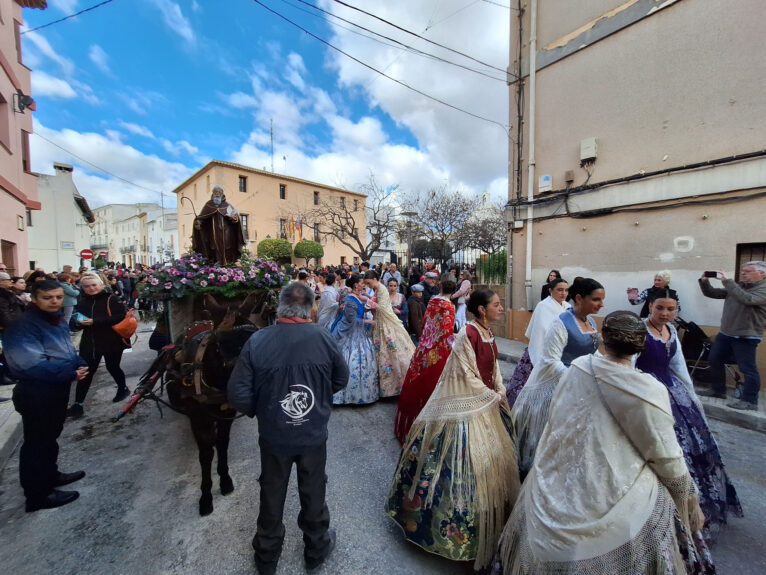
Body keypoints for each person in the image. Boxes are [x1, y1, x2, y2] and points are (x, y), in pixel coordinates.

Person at [497, 311, 714, 575]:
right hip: (618, 489)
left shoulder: (578, 369)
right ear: (641, 345)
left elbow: (558, 421)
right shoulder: (647, 389)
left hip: (556, 479)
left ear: (604, 339)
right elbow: (665, 453)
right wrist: (686, 496)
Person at [386, 289, 519, 571]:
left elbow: (492, 366)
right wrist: (490, 394)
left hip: (487, 404)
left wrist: (499, 386)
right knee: (461, 469)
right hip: (468, 409)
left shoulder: (486, 332)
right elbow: (464, 374)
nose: (501, 308)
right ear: (482, 309)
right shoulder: (466, 335)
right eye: (496, 304)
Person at [227, 282, 349, 575]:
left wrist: (264, 411)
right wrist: (318, 399)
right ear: (311, 307)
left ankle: (267, 556)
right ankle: (316, 549)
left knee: (271, 490)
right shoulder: (323, 337)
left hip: (275, 435)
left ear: (279, 306)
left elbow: (238, 393)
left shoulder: (258, 340)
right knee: (314, 488)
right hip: (312, 433)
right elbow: (341, 379)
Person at [635, 290, 742, 539]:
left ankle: (693, 508)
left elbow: (679, 366)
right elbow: (627, 365)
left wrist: (691, 397)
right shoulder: (638, 329)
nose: (665, 313)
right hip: (645, 391)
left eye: (671, 309)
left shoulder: (671, 331)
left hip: (672, 392)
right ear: (650, 306)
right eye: (660, 308)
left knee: (690, 447)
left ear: (676, 310)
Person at [4, 280, 88, 512]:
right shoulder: (22, 326)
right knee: (36, 444)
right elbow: (28, 365)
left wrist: (79, 363)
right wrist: (70, 372)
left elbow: (66, 349)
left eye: (58, 297)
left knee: (49, 438)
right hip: (36, 392)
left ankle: (51, 476)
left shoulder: (56, 320)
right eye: (48, 298)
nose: (54, 301)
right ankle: (37, 496)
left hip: (56, 389)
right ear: (34, 299)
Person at [511, 277, 604, 477]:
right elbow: (550, 360)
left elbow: (593, 352)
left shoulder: (591, 322)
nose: (601, 304)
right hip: (559, 387)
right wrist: (579, 375)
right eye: (596, 299)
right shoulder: (561, 323)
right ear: (579, 298)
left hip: (583, 387)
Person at [697, 262, 766, 410]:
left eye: (748, 271)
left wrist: (728, 282)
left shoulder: (763, 288)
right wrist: (704, 282)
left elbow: (748, 299)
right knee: (714, 359)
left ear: (762, 274)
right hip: (726, 333)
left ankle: (750, 401)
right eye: (743, 271)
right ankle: (718, 390)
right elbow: (712, 293)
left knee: (748, 369)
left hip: (746, 336)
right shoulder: (738, 287)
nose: (743, 273)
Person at [394, 279, 456, 443]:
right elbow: (447, 330)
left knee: (419, 374)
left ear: (441, 287)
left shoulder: (432, 301)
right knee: (436, 381)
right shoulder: (449, 306)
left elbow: (428, 321)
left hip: (425, 345)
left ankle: (415, 417)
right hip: (439, 347)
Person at [68, 274, 130, 418]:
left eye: (94, 285)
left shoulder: (111, 299)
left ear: (101, 285)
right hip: (90, 342)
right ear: (82, 288)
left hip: (112, 340)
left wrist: (95, 321)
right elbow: (75, 321)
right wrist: (78, 324)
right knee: (86, 371)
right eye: (87, 286)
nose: (91, 288)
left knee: (113, 367)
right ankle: (78, 404)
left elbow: (120, 317)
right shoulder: (82, 302)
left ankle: (123, 388)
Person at [506, 278, 571, 408]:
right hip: (542, 351)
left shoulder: (568, 308)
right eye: (559, 290)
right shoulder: (543, 306)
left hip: (561, 353)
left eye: (566, 290)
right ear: (550, 291)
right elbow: (541, 331)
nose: (563, 293)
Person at [363, 270, 415, 397]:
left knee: (393, 351)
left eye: (369, 283)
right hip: (380, 322)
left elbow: (384, 308)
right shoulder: (378, 289)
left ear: (375, 278)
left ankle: (397, 385)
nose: (368, 286)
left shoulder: (381, 289)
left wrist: (368, 301)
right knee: (384, 352)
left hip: (386, 323)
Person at [330, 274, 378, 405]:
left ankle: (361, 394)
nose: (364, 284)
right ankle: (346, 396)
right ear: (356, 285)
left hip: (360, 334)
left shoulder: (356, 297)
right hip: (351, 335)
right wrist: (369, 320)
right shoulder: (350, 300)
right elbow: (352, 320)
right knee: (352, 360)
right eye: (362, 282)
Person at [191, 185, 246, 265]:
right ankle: (216, 265)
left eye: (219, 192)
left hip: (226, 233)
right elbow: (202, 217)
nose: (217, 194)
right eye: (215, 192)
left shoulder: (227, 206)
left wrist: (235, 219)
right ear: (212, 194)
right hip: (212, 234)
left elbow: (235, 218)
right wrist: (198, 222)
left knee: (227, 248)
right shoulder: (208, 205)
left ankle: (228, 265)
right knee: (213, 248)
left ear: (222, 195)